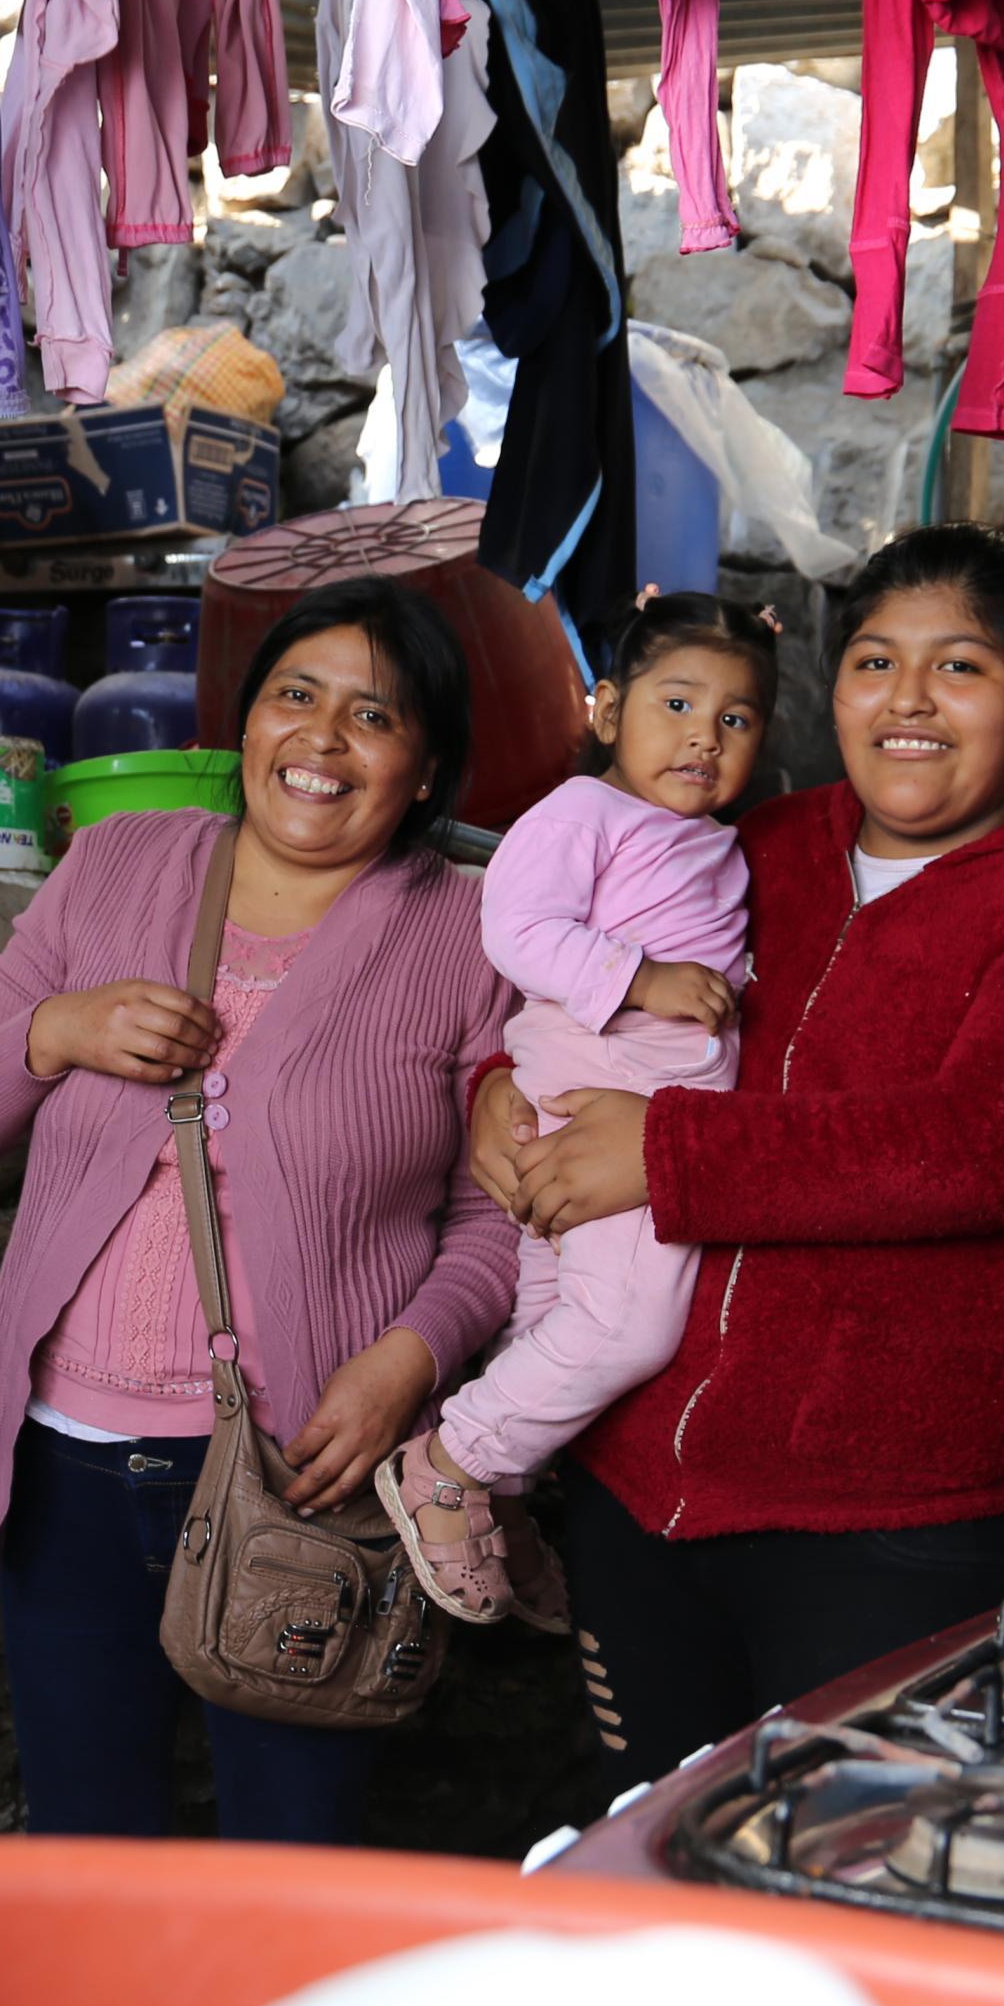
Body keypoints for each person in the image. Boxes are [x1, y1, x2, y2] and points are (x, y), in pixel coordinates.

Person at [471, 523, 1004, 1775]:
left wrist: (671, 1153)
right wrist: (501, 1086)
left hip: (896, 1527)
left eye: (960, 667)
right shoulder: (759, 848)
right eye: (873, 661)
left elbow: (997, 1145)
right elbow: (596, 980)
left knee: (861, 1908)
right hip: (637, 1493)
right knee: (666, 1891)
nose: (907, 700)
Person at [0, 577, 519, 1843]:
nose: (321, 739)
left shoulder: (471, 935)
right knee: (88, 1854)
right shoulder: (119, 865)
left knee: (291, 1868)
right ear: (242, 723)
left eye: (374, 716)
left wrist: (409, 1363)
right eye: (296, 696)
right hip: (65, 1463)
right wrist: (55, 1030)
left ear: (427, 767)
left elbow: (502, 1213)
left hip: (304, 1474)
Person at [377, 590, 777, 1626]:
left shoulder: (712, 839)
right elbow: (518, 930)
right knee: (633, 1324)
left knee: (552, 1309)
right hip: (613, 1083)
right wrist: (641, 979)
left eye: (735, 719)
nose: (704, 735)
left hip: (626, 1091)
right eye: (678, 703)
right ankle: (452, 1463)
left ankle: (500, 1501)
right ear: (607, 712)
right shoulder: (581, 814)